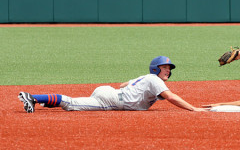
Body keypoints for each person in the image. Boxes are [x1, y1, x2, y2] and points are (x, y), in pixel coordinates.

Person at [18, 56, 208, 113]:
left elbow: (124, 83)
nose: (168, 70)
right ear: (155, 69)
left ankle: (44, 102)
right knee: (72, 104)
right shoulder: (153, 80)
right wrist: (193, 109)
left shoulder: (147, 79)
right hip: (111, 100)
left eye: (169, 68)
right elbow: (171, 97)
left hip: (110, 92)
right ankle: (33, 98)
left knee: (77, 102)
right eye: (164, 67)